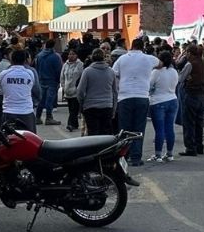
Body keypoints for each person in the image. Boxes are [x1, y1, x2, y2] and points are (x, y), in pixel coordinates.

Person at [111, 38, 159, 166]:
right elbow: (160, 63)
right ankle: (136, 157)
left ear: (131, 46)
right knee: (138, 128)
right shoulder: (148, 59)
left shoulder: (122, 59)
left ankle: (123, 156)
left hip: (125, 96)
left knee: (124, 129)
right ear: (142, 47)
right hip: (142, 96)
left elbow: (114, 73)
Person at [0, 49, 41, 132]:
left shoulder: (3, 74)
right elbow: (36, 91)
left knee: (8, 140)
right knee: (29, 141)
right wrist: (35, 103)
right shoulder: (30, 73)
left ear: (11, 60)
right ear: (25, 60)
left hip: (8, 112)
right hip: (27, 112)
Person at [76, 48, 117, 136]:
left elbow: (80, 91)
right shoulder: (111, 71)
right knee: (105, 133)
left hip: (90, 107)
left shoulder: (87, 71)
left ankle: (94, 149)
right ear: (104, 58)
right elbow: (115, 92)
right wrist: (114, 109)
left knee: (93, 133)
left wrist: (82, 104)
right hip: (107, 106)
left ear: (92, 58)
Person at [147, 51, 179, 162]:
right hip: (173, 100)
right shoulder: (174, 72)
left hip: (158, 101)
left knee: (159, 129)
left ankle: (158, 155)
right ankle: (170, 154)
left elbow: (149, 86)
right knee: (169, 128)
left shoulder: (156, 72)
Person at [178, 45, 204, 157]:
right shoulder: (203, 63)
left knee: (189, 122)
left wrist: (187, 78)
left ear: (189, 53)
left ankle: (190, 147)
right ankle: (199, 146)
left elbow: (180, 78)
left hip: (190, 94)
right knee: (199, 122)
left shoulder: (190, 64)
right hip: (201, 95)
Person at [35, 39, 63, 125]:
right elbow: (58, 70)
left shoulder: (39, 56)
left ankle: (38, 117)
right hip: (52, 80)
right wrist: (59, 80)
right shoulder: (55, 56)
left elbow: (37, 67)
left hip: (41, 80)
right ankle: (49, 117)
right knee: (49, 100)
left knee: (41, 99)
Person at [60, 49, 83, 132]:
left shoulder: (80, 65)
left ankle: (70, 124)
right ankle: (75, 124)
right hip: (67, 90)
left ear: (76, 55)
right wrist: (63, 86)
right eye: (70, 54)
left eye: (73, 54)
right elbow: (62, 76)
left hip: (76, 91)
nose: (71, 56)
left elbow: (81, 77)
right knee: (71, 109)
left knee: (74, 109)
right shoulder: (65, 65)